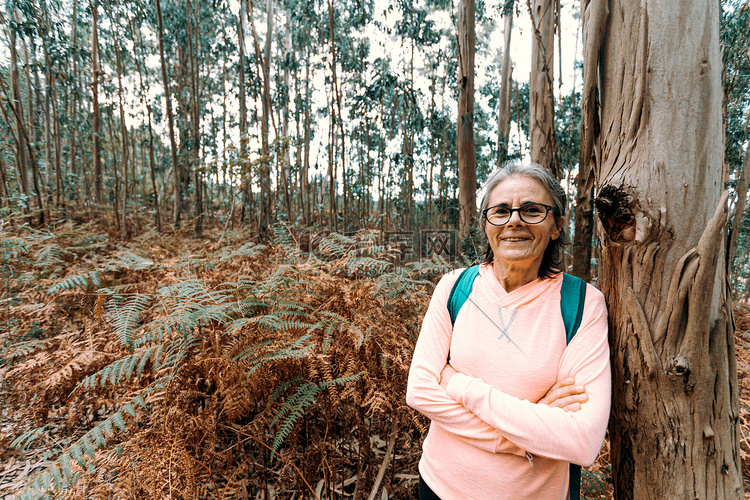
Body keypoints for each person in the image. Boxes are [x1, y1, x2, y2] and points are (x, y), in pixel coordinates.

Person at [406, 162, 611, 500]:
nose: (514, 220)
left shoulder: (581, 303)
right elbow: (419, 391)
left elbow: (581, 440)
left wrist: (456, 383)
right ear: (486, 224)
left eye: (532, 210)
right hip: (439, 486)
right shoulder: (455, 287)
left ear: (557, 225)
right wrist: (520, 438)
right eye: (500, 210)